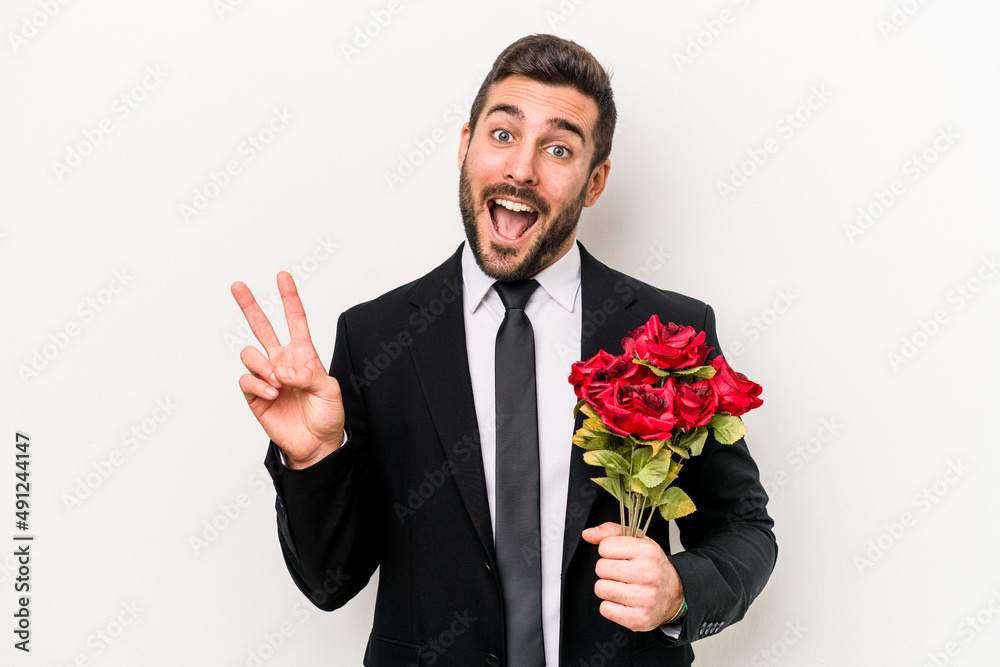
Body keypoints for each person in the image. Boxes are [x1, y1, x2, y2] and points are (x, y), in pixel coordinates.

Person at [232, 34, 775, 667]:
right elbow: (330, 583)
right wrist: (316, 459)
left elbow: (743, 527)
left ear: (594, 181)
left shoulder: (670, 333)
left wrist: (680, 590)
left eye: (559, 148)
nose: (521, 169)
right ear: (465, 148)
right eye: (502, 135)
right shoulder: (375, 338)